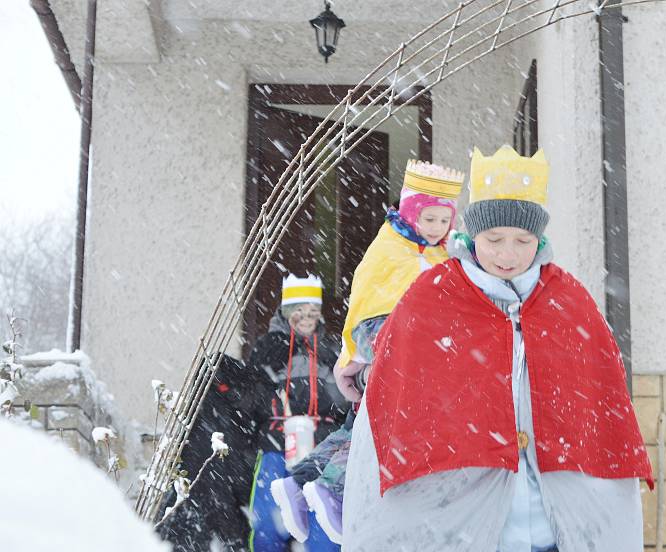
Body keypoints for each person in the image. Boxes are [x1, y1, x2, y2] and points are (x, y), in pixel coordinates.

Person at [341, 145, 654, 551]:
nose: (508, 255)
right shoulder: (433, 296)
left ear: (540, 238)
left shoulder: (567, 301)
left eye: (523, 240)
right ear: (472, 234)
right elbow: (397, 393)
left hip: (557, 527)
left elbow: (601, 405)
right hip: (464, 527)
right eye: (494, 239)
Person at [269, 160, 464, 545]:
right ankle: (329, 487)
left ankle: (301, 483)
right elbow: (374, 308)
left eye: (445, 221)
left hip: (397, 349)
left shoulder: (431, 252)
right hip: (389, 340)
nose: (437, 228)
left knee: (357, 426)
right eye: (429, 218)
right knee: (376, 429)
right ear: (411, 211)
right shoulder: (394, 249)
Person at [248, 274, 348, 552]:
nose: (306, 318)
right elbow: (254, 397)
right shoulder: (269, 348)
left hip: (321, 449)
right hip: (277, 445)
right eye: (298, 312)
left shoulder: (331, 350)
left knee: (323, 526)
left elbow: (343, 400)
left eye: (312, 312)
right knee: (269, 522)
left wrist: (332, 367)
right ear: (285, 312)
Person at [157, 354, 261, 552]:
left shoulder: (203, 409)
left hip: (197, 500)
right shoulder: (221, 413)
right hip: (213, 500)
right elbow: (235, 479)